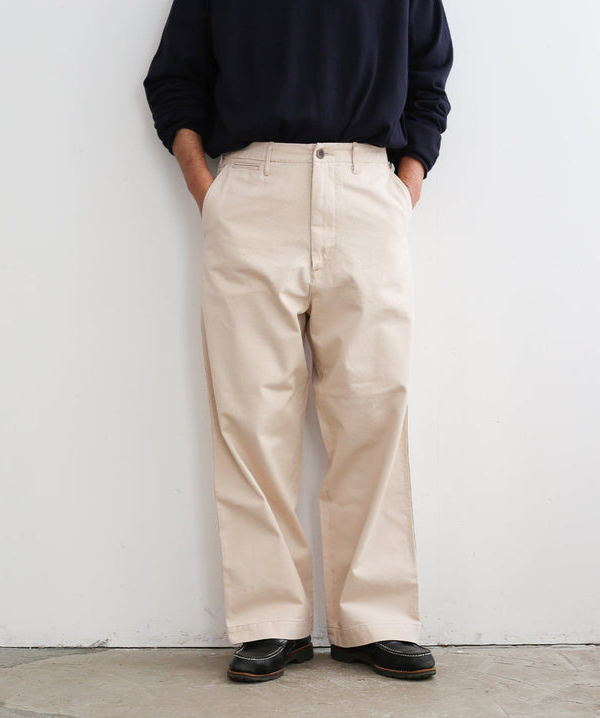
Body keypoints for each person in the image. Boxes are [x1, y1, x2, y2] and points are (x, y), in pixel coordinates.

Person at [144, 0, 453, 683]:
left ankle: (374, 619)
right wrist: (208, 190)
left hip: (366, 185)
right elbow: (175, 78)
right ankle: (270, 620)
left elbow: (428, 78)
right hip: (252, 189)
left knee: (375, 408)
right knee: (250, 415)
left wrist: (403, 188)